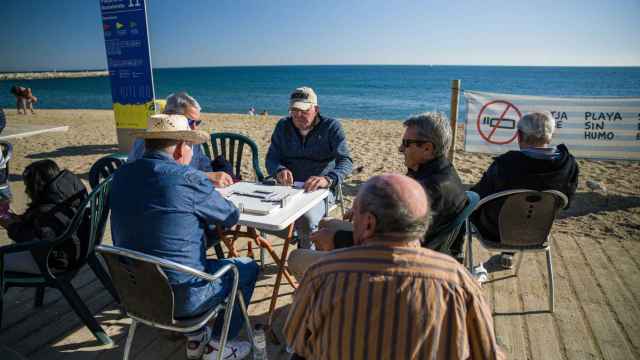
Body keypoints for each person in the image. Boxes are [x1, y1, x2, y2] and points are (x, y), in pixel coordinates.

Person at [283, 174, 504, 360]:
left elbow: (296, 339)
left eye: (355, 214)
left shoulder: (322, 274)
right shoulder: (458, 280)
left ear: (368, 223)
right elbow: (487, 353)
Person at [110, 114, 257, 360]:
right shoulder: (187, 179)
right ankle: (219, 344)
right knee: (247, 268)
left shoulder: (121, 175)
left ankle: (198, 338)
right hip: (183, 299)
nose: (191, 151)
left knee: (183, 255)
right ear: (180, 148)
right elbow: (230, 217)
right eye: (191, 145)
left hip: (135, 294)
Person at [287, 112, 466, 278]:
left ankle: (338, 284)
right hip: (409, 249)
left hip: (398, 266)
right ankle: (334, 282)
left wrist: (336, 240)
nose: (400, 149)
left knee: (296, 257)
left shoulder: (429, 189)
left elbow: (391, 246)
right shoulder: (438, 173)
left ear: (427, 149)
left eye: (406, 143)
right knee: (325, 222)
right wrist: (364, 207)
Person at [471, 111, 579, 268]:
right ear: (550, 136)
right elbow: (566, 204)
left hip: (495, 232)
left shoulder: (506, 164)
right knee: (523, 207)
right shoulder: (568, 165)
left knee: (467, 207)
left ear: (519, 136)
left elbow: (479, 195)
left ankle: (456, 257)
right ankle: (508, 254)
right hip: (538, 231)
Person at [265, 86, 353, 248]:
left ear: (316, 109)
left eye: (304, 111)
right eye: (294, 110)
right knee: (258, 215)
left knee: (307, 219)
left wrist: (328, 179)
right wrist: (279, 170)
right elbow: (272, 157)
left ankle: (307, 256)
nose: (298, 115)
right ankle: (299, 237)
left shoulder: (331, 127)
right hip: (287, 187)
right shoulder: (283, 126)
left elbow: (346, 161)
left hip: (319, 191)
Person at [127, 92, 233, 188]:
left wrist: (211, 178)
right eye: (190, 122)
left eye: (198, 122)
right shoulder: (150, 141)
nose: (195, 128)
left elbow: (204, 165)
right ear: (172, 116)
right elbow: (156, 175)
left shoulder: (191, 139)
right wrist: (204, 176)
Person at [0, 160, 87, 274]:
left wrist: (10, 225)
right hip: (76, 251)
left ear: (37, 187)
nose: (26, 191)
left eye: (28, 186)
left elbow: (35, 240)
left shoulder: (48, 211)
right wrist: (20, 219)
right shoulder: (65, 194)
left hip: (54, 263)